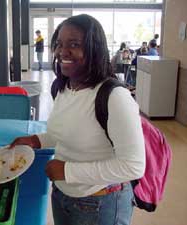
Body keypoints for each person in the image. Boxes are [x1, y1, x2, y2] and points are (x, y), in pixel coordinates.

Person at [10, 14, 145, 225]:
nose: (62, 51)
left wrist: (67, 170)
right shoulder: (64, 87)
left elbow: (133, 166)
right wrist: (37, 140)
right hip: (63, 194)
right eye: (59, 44)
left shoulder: (114, 97)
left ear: (94, 49)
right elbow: (66, 133)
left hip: (101, 203)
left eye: (74, 44)